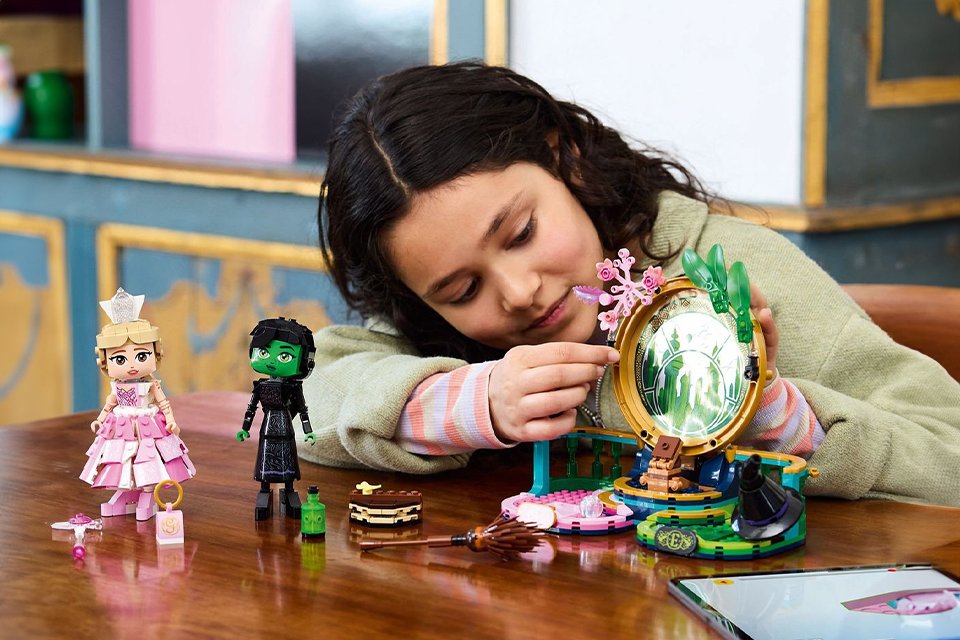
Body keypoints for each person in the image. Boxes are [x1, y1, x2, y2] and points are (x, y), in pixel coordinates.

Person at [301, 62, 960, 506]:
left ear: (564, 157)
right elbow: (304, 397)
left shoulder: (733, 272)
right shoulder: (436, 327)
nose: (519, 292)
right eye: (461, 290)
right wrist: (466, 403)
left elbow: (949, 455)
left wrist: (778, 419)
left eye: (522, 232)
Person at [81, 288, 196, 521]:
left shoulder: (152, 384)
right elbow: (109, 405)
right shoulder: (116, 386)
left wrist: (171, 421)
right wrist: (100, 419)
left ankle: (146, 493)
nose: (132, 365)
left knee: (148, 457)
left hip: (148, 423)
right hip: (121, 425)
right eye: (120, 358)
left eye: (141, 356)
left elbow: (164, 404)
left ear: (156, 353)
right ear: (104, 361)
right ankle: (126, 491)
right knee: (122, 459)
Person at [236, 317, 317, 520]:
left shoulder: (293, 387)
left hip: (284, 426)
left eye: (284, 357)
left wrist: (308, 431)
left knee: (286, 458)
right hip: (268, 427)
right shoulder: (261, 387)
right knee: (266, 459)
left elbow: (302, 408)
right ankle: (265, 489)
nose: (271, 361)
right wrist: (245, 428)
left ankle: (289, 490)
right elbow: (251, 408)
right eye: (264, 352)